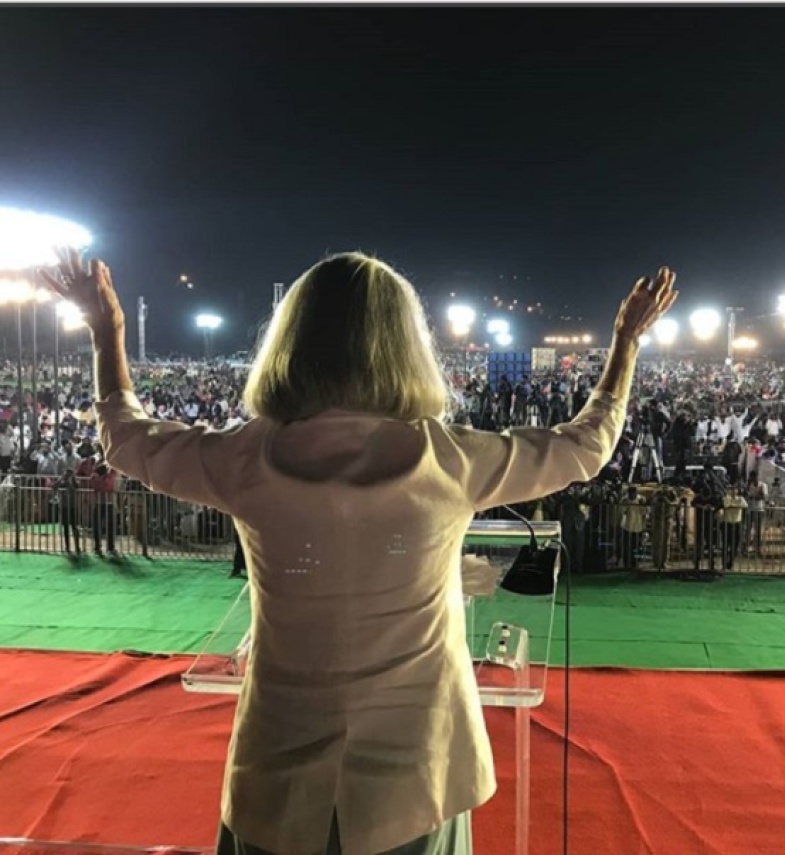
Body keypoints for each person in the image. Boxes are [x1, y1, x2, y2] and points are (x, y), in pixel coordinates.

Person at [41, 248, 676, 855]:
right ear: (407, 348)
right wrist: (625, 344)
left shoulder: (243, 458)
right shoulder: (450, 460)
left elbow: (124, 437)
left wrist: (106, 331)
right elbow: (587, 445)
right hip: (415, 776)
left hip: (278, 771)